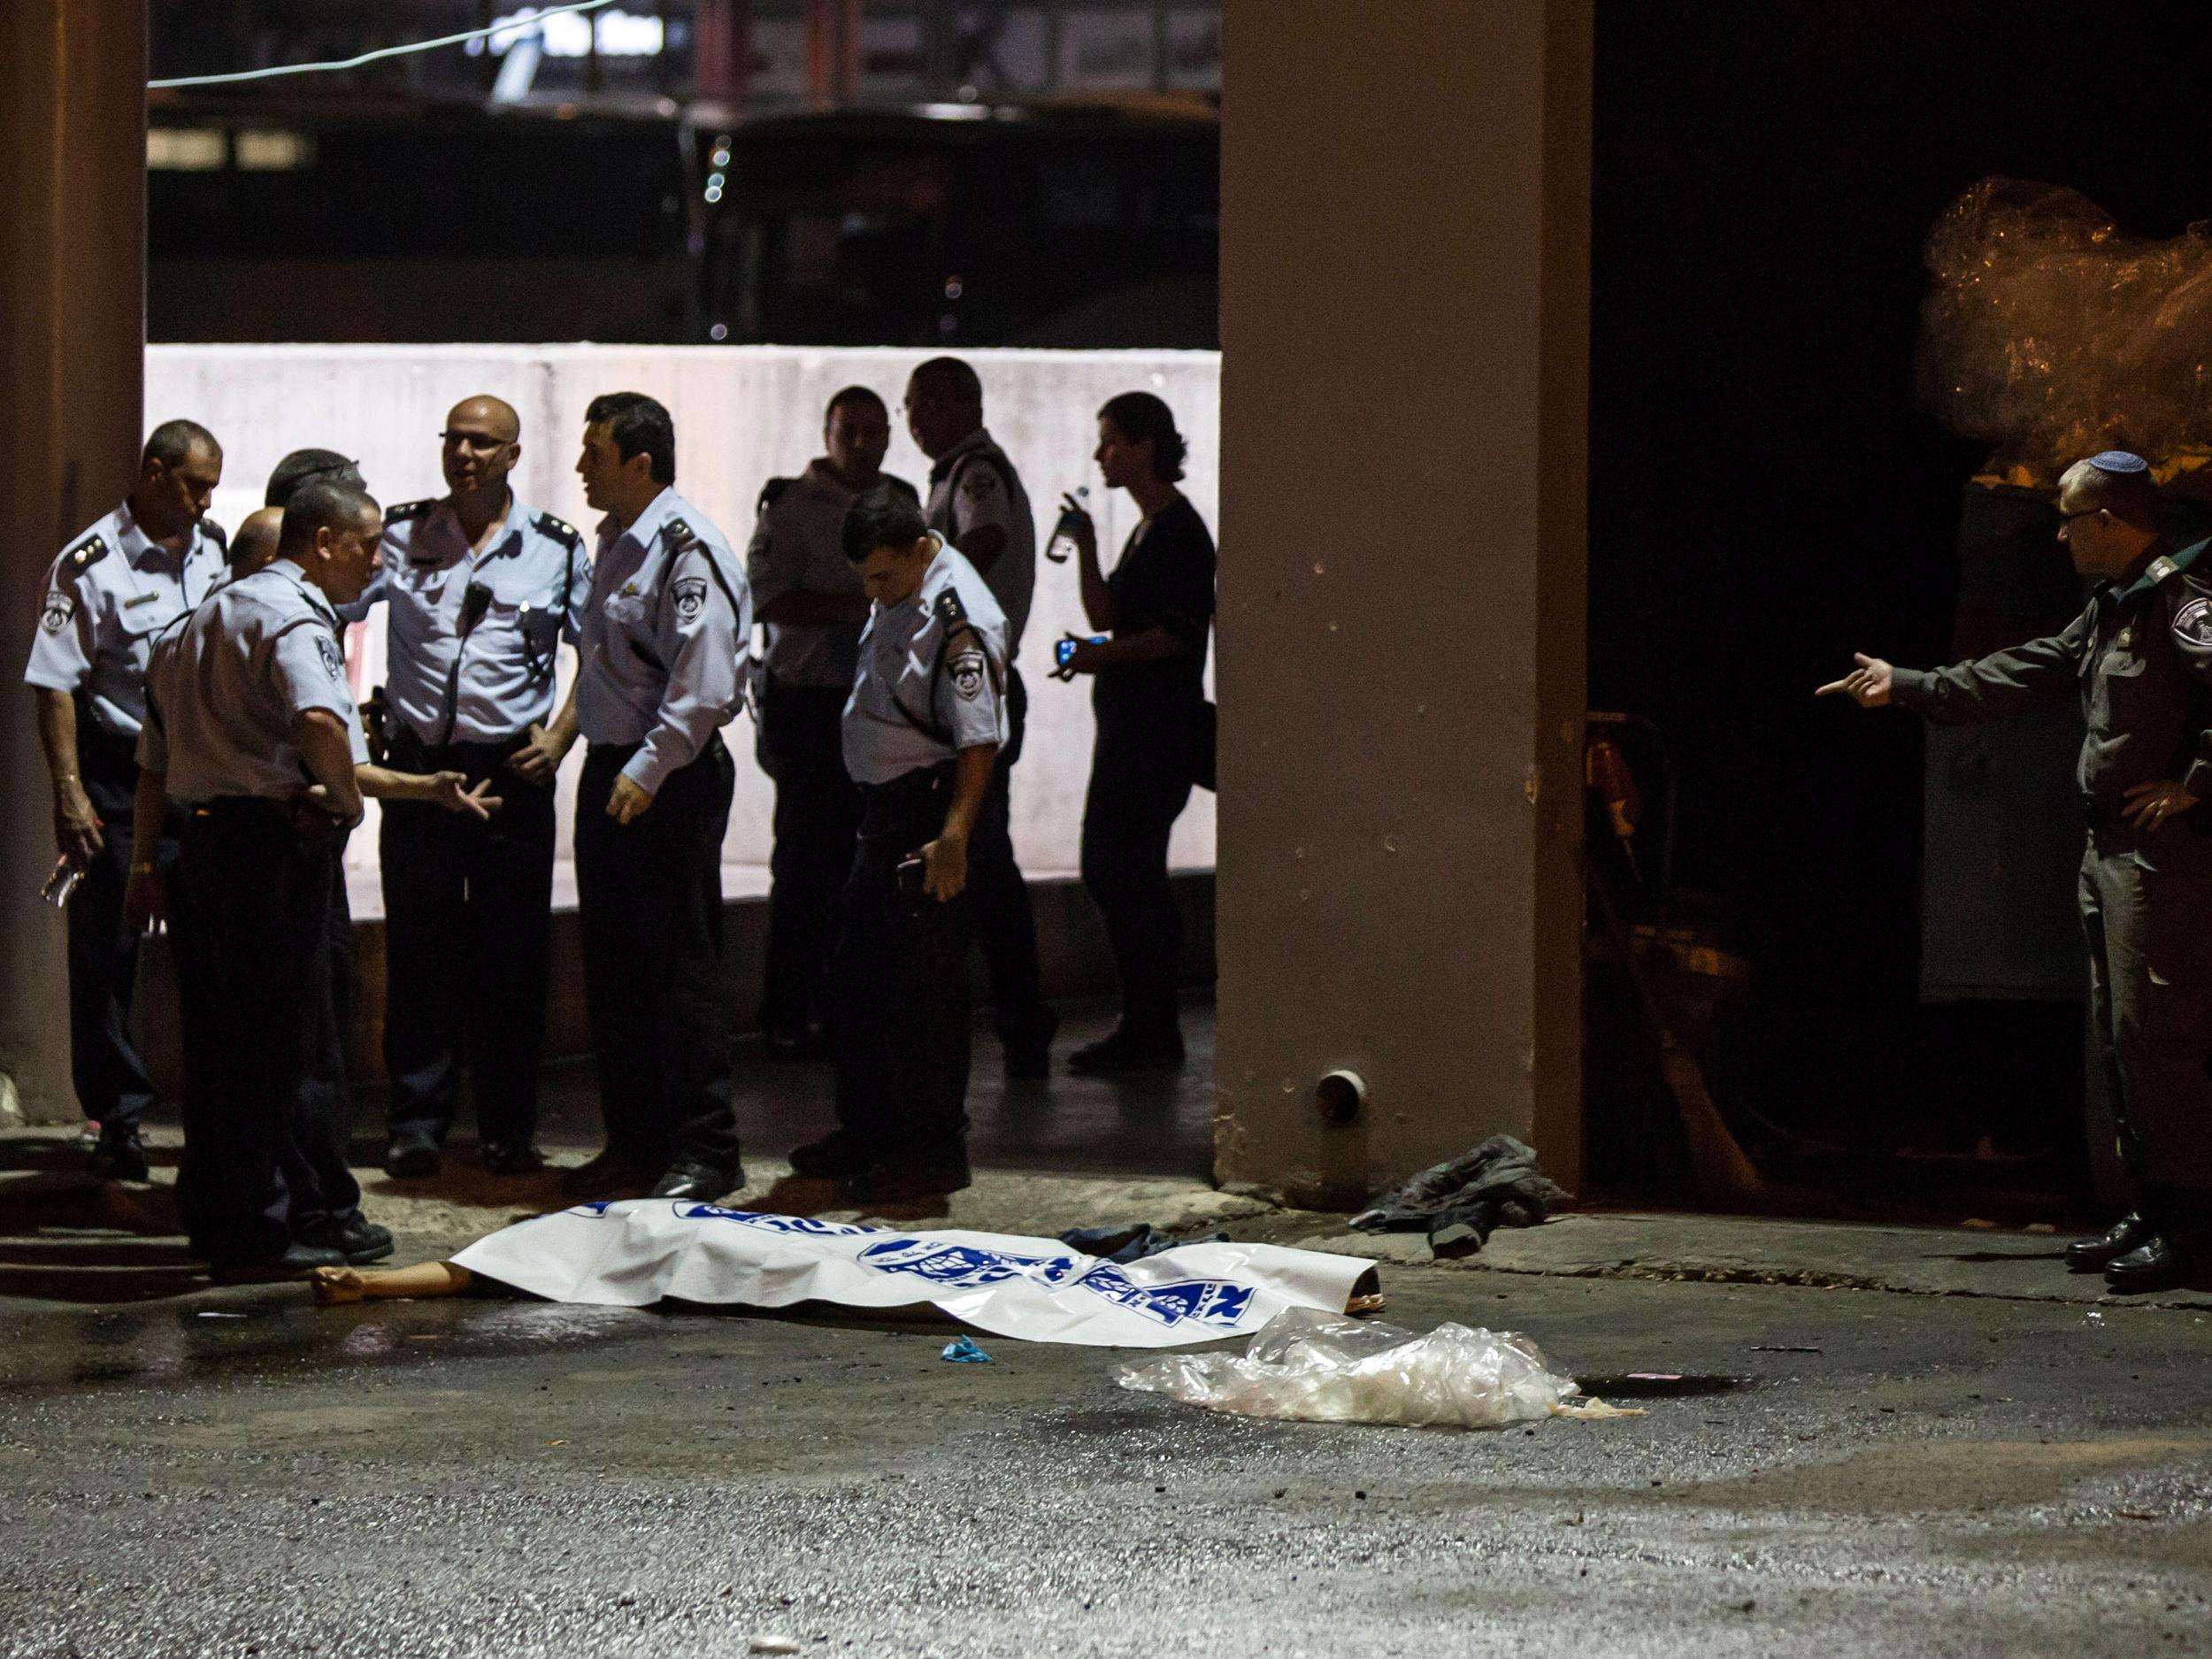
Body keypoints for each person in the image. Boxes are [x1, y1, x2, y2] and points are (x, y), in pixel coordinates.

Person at [1820, 449, 2212, 1294]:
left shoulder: (2184, 602)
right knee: (2119, 1039)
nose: (2062, 535)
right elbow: (2027, 669)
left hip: (2160, 858)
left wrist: (2193, 787)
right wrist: (1910, 685)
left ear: (2109, 521)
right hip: (2104, 848)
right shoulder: (2110, 608)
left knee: (2159, 1037)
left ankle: (2194, 1226)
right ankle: (2152, 1207)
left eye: (2071, 519)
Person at [126, 478, 496, 1279]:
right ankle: (265, 1227)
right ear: (322, 541)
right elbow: (322, 720)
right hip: (267, 850)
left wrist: (145, 860)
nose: (374, 563)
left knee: (217, 1044)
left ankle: (220, 1217)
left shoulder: (184, 629)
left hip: (200, 849)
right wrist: (345, 799)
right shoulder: (295, 616)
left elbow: (153, 761)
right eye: (366, 547)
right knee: (276, 1043)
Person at [337, 395, 586, 1179]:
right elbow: (334, 605)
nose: (465, 453)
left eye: (483, 442)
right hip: (419, 772)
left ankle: (508, 1126)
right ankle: (417, 1121)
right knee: (420, 952)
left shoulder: (554, 547)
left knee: (513, 957)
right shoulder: (404, 532)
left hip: (512, 772)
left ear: (513, 455)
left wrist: (559, 735)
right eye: (455, 439)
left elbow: (597, 649)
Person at [786, 484, 1009, 1208]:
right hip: (888, 808)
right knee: (859, 980)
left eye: (882, 575)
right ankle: (870, 1131)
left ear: (921, 549)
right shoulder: (900, 590)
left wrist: (953, 838)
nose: (872, 591)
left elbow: (979, 739)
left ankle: (930, 1153)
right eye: (863, 579)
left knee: (926, 995)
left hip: (932, 808)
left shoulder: (958, 618)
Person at [23, 419, 227, 1182]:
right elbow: (55, 683)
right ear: (153, 471)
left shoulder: (215, 549)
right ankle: (118, 1118)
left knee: (209, 942)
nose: (207, 502)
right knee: (107, 952)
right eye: (194, 485)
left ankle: (212, 1110)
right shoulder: (90, 564)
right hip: (116, 771)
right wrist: (70, 791)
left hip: (197, 770)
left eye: (212, 487)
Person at [563, 392, 749, 1203]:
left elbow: (702, 687)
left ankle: (706, 1150)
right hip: (615, 770)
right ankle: (634, 1142)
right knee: (615, 967)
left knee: (677, 965)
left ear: (641, 463)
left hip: (664, 776)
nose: (580, 469)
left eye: (595, 454)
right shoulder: (615, 543)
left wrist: (644, 772)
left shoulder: (685, 550)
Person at [746, 386, 918, 1057]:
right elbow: (768, 597)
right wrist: (857, 607)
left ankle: (854, 1009)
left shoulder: (901, 501)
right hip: (811, 705)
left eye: (874, 430)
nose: (861, 442)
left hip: (880, 707)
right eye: (849, 430)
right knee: (804, 864)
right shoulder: (791, 507)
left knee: (868, 865)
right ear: (827, 433)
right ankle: (787, 1013)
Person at [1051, 393, 1217, 1072]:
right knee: (1126, 871)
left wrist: (1097, 657)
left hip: (1154, 736)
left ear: (1144, 444)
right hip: (1131, 732)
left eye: (1111, 440)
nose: (1101, 455)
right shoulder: (1149, 528)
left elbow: (1173, 638)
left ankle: (1151, 1027)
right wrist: (1088, 546)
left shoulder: (1180, 532)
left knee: (1123, 871)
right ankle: (1148, 1025)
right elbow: (1110, 614)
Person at [902, 357, 1056, 1078]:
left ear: (955, 402)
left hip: (977, 689)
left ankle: (1019, 1021)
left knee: (981, 860)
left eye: (920, 404)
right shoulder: (954, 474)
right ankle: (1018, 1019)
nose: (913, 420)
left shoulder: (975, 475)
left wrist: (921, 588)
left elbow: (985, 538)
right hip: (973, 689)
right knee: (986, 859)